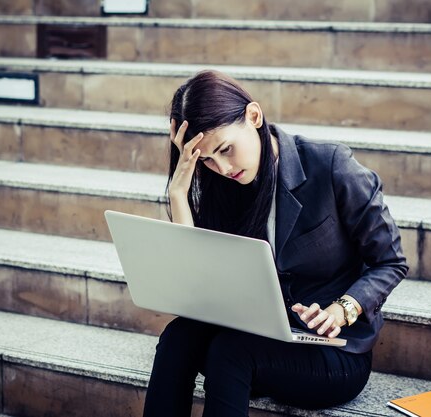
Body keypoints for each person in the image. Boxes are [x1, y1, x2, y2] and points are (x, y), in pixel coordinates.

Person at [142, 70, 408, 416]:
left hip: (331, 351)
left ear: (254, 116)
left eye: (225, 150)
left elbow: (390, 261)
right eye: (206, 159)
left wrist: (342, 309)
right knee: (178, 337)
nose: (221, 167)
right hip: (256, 333)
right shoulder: (222, 183)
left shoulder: (330, 166)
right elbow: (198, 282)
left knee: (231, 352)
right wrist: (179, 191)